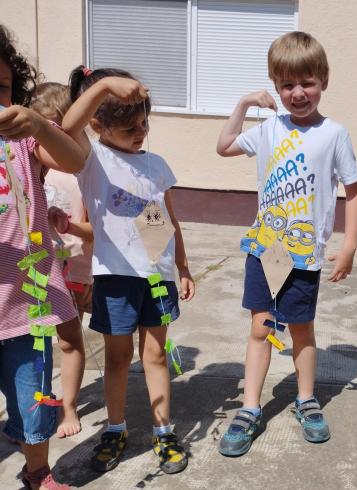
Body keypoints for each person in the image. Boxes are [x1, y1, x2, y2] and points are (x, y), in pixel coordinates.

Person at [216, 31, 357, 456]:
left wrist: (350, 245)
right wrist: (244, 104)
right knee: (261, 328)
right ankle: (250, 408)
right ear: (276, 87)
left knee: (301, 329)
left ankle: (306, 399)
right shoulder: (268, 129)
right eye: (287, 85)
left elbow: (354, 190)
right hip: (265, 250)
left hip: (304, 255)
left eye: (307, 83)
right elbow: (223, 146)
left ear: (324, 81)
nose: (298, 93)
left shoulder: (334, 134)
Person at [62, 66, 195, 474]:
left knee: (155, 355)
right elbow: (67, 127)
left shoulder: (156, 164)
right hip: (115, 278)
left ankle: (163, 431)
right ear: (99, 125)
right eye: (129, 127)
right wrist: (103, 86)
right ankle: (115, 428)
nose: (141, 132)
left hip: (157, 277)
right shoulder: (92, 159)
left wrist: (183, 266)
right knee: (118, 358)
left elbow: (168, 221)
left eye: (144, 123)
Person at [0, 24, 86, 490]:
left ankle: (38, 472)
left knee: (33, 396)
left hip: (27, 305)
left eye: (2, 87)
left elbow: (74, 160)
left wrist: (37, 124)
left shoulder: (23, 139)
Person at [31, 81, 90, 439]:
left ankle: (69, 405)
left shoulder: (83, 169)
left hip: (74, 269)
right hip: (35, 270)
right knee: (36, 342)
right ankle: (36, 408)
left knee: (70, 340)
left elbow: (90, 229)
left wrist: (85, 276)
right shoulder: (31, 165)